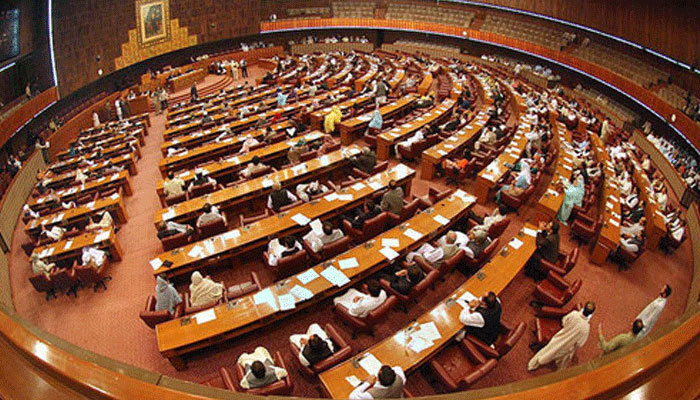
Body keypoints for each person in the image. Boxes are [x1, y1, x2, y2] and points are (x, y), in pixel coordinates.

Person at [528, 301, 596, 371]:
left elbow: (564, 321)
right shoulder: (586, 328)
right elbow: (579, 344)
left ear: (583, 308)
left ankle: (532, 365)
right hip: (567, 347)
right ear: (591, 314)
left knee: (547, 351)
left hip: (559, 338)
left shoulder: (574, 314)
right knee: (564, 360)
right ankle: (559, 371)